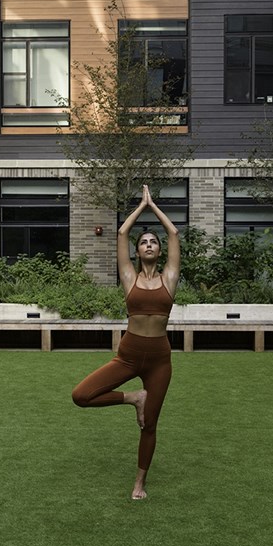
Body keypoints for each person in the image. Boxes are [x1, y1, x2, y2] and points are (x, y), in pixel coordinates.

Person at [71, 185, 179, 500]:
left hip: (159, 359)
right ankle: (133, 397)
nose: (148, 244)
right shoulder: (129, 278)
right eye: (143, 242)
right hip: (129, 355)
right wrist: (139, 207)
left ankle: (139, 483)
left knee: (149, 426)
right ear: (137, 251)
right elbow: (120, 233)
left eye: (152, 242)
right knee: (81, 395)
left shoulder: (169, 278)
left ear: (159, 251)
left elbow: (173, 233)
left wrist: (153, 205)